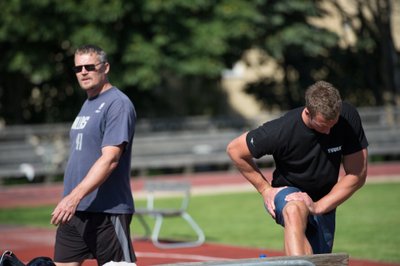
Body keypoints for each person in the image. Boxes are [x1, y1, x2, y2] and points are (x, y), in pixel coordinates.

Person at [226, 81, 368, 255]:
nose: (329, 132)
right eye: (323, 126)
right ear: (308, 112)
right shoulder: (280, 131)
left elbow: (357, 174)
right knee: (294, 208)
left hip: (325, 198)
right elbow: (235, 150)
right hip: (288, 191)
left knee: (318, 259)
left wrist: (318, 206)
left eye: (333, 124)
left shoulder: (348, 117)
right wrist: (265, 190)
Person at [51, 44, 137, 265]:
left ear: (105, 67)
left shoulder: (118, 104)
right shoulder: (88, 103)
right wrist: (71, 200)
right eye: (78, 68)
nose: (83, 72)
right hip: (74, 211)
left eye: (89, 66)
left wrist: (74, 196)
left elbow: (110, 160)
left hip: (107, 211)